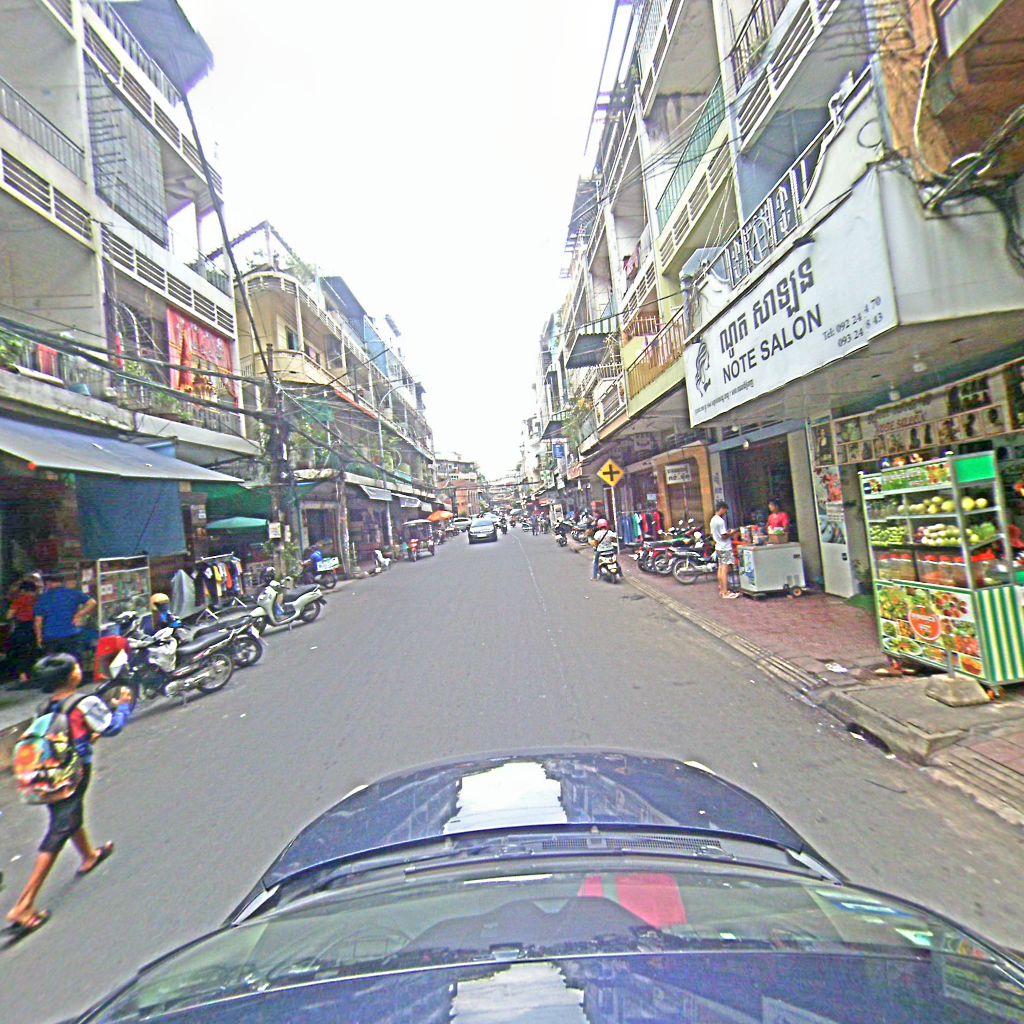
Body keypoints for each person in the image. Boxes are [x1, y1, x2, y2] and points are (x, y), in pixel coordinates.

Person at [4, 653, 133, 941]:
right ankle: (24, 905)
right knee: (61, 826)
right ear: (73, 675)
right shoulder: (84, 702)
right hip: (72, 773)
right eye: (75, 667)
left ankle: (89, 856)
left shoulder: (44, 707)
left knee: (66, 814)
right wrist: (123, 706)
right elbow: (111, 727)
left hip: (46, 775)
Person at [33, 574, 95, 669]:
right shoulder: (73, 593)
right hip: (72, 635)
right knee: (74, 664)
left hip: (51, 637)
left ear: (48, 583)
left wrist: (39, 638)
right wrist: (79, 615)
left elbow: (38, 621)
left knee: (53, 666)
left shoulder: (43, 598)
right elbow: (92, 602)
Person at [5, 579, 40, 685]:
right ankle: (33, 674)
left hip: (22, 628)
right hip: (35, 628)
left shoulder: (19, 600)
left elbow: (9, 615)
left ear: (23, 590)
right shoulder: (37, 600)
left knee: (21, 652)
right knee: (32, 651)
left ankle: (23, 677)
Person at [710, 500, 738, 599]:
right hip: (725, 547)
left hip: (718, 546)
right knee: (725, 569)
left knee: (721, 568)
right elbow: (724, 536)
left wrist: (727, 532)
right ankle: (725, 592)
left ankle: (722, 589)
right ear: (721, 509)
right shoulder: (720, 521)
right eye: (725, 511)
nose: (725, 513)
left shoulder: (713, 519)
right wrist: (732, 533)